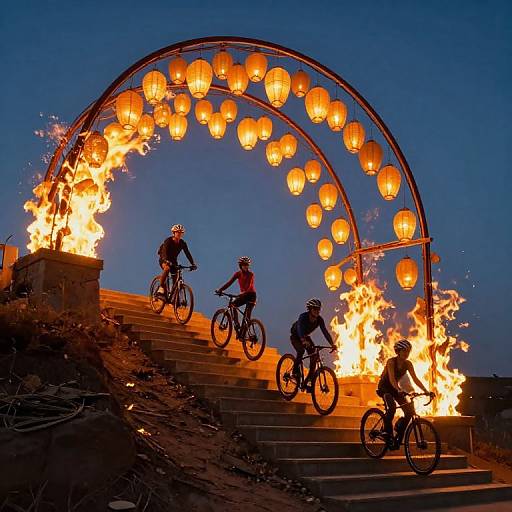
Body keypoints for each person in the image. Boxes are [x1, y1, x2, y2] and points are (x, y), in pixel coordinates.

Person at [377, 338, 435, 449]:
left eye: (408, 351)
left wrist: (426, 391)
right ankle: (386, 433)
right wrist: (398, 390)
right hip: (384, 388)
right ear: (398, 352)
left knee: (409, 412)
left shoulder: (408, 364)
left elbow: (415, 379)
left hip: (396, 389)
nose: (406, 354)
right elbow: (392, 379)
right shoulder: (391, 362)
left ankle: (399, 431)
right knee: (392, 408)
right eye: (404, 351)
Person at [290, 298, 335, 391]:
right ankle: (294, 372)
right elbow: (299, 329)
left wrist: (332, 344)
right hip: (296, 336)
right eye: (315, 309)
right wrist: (302, 340)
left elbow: (325, 332)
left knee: (314, 357)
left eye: (318, 309)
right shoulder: (303, 316)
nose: (317, 311)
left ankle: (308, 381)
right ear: (310, 309)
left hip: (306, 337)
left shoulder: (319, 320)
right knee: (301, 351)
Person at [215, 256, 256, 337]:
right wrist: (220, 290)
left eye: (247, 265)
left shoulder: (251, 274)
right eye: (244, 265)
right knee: (233, 306)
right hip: (244, 295)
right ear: (240, 265)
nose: (246, 266)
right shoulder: (238, 274)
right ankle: (239, 330)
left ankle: (242, 331)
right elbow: (229, 283)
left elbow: (249, 285)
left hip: (251, 295)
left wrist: (243, 293)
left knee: (246, 316)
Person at [157, 224, 197, 295]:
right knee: (167, 269)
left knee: (175, 279)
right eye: (177, 232)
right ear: (174, 233)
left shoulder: (182, 243)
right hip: (164, 259)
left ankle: (173, 297)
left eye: (181, 233)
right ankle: (161, 287)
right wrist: (166, 260)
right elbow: (164, 252)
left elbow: (187, 254)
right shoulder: (168, 241)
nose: (179, 234)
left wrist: (193, 264)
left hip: (173, 261)